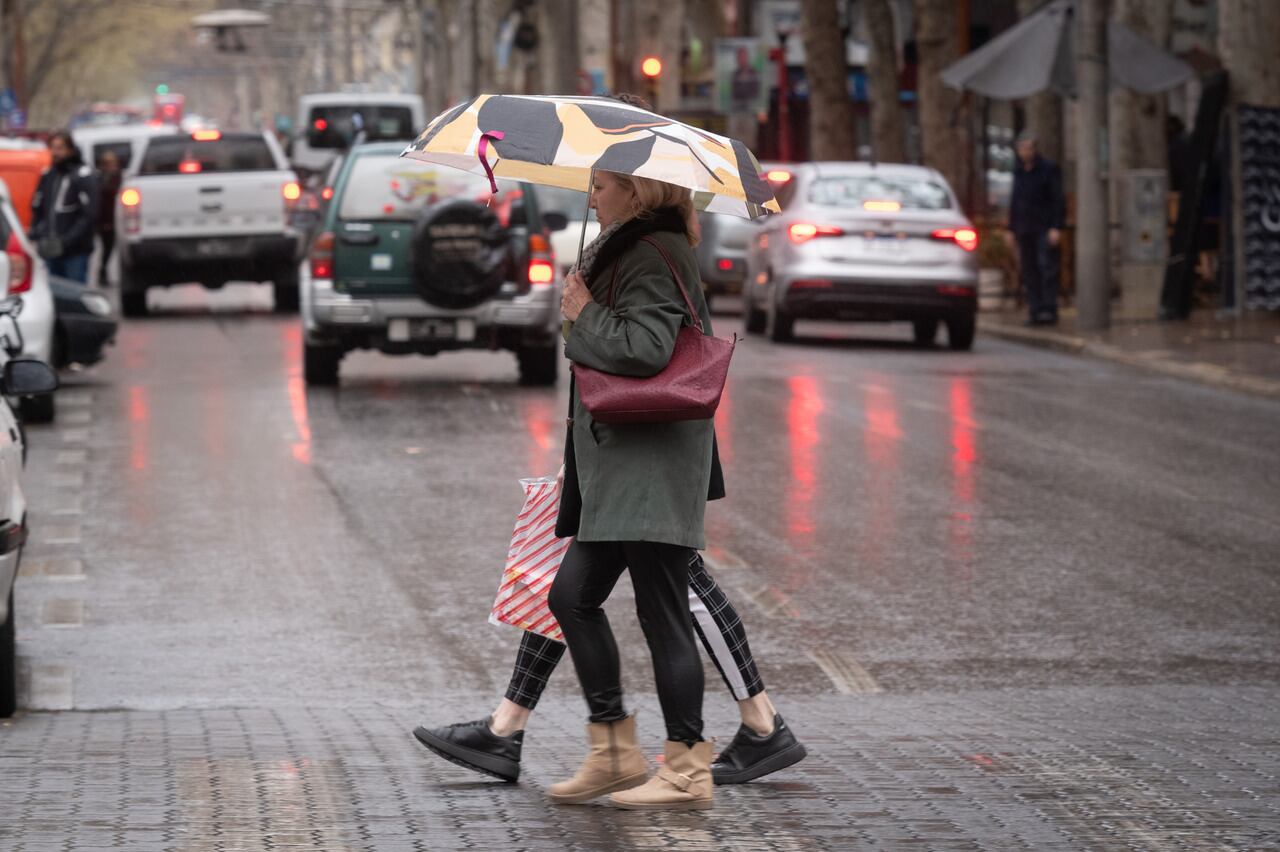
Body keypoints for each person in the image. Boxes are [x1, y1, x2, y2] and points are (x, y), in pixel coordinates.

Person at [413, 551, 805, 787]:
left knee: (677, 577)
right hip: (626, 445)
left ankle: (756, 727)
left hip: (643, 448)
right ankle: (507, 724)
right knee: (572, 587)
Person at [1007, 130, 1065, 326]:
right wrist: (1011, 228)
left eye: (1028, 148)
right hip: (1025, 226)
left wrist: (1056, 226)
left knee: (1047, 267)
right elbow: (1015, 200)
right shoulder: (1018, 172)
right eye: (1022, 148)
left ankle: (1049, 308)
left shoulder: (1048, 169)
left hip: (1044, 225)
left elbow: (1057, 199)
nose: (1025, 152)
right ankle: (1035, 309)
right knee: (1029, 269)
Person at [30, 131, 101, 284]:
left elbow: (88, 215)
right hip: (51, 249)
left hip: (76, 251)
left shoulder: (83, 176)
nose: (56, 153)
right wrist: (39, 232)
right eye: (53, 148)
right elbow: (38, 208)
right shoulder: (49, 175)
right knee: (55, 295)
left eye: (60, 148)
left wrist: (66, 241)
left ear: (70, 149)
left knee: (75, 293)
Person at [96, 150, 122, 286]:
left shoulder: (118, 177)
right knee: (107, 247)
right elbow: (101, 202)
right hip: (107, 219)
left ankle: (104, 272)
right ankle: (103, 272)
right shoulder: (101, 179)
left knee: (111, 248)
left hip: (118, 217)